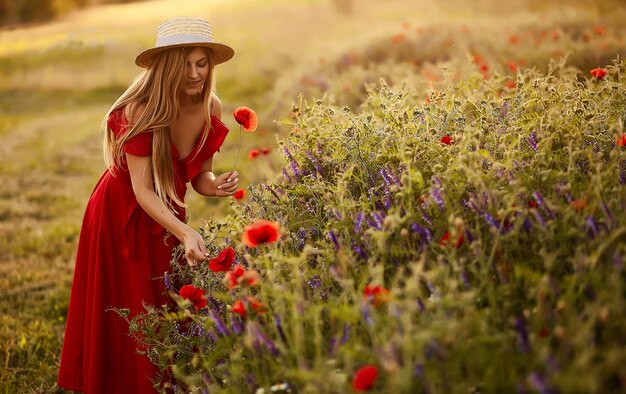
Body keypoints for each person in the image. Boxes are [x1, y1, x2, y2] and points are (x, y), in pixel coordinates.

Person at [57, 17, 238, 393]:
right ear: (167, 65)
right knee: (129, 303)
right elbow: (142, 192)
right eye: (185, 64)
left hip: (168, 211)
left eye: (201, 63)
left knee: (166, 301)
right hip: (121, 211)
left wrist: (214, 186)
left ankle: (167, 382)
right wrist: (186, 230)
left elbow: (199, 175)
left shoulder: (211, 107)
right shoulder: (141, 110)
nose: (194, 74)